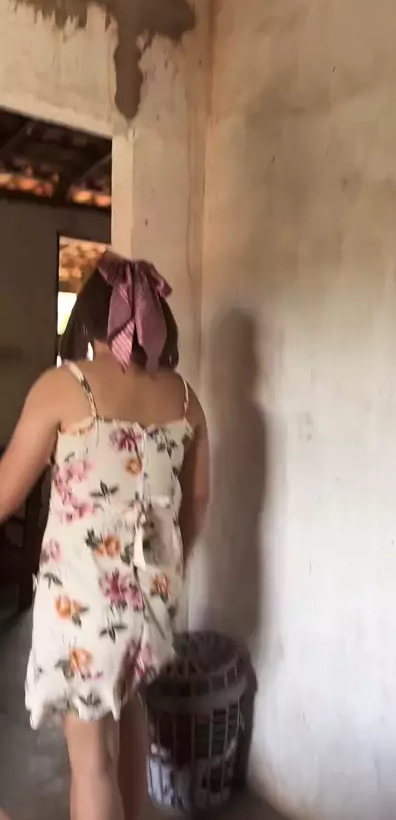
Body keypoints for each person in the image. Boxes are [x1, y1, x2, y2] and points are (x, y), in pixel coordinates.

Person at [0, 252, 210, 820]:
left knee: (91, 761)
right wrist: (169, 565)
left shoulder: (65, 387)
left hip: (84, 599)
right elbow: (196, 502)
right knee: (130, 705)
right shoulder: (185, 399)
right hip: (153, 595)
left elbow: (5, 494)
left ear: (91, 320)